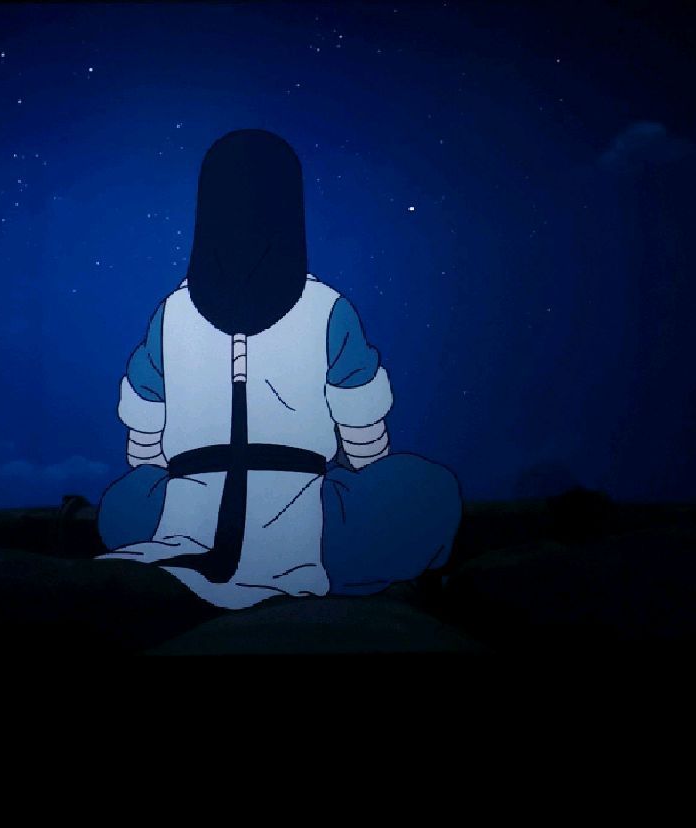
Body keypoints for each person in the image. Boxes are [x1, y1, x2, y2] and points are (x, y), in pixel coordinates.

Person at [95, 129, 462, 610]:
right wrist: (367, 484)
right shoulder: (328, 308)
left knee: (120, 504)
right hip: (309, 527)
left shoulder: (170, 313)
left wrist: (161, 485)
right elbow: (363, 433)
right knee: (432, 491)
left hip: (180, 517)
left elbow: (144, 435)